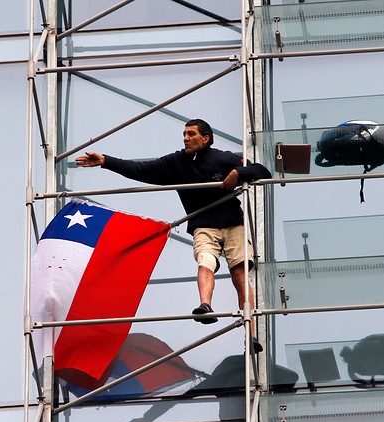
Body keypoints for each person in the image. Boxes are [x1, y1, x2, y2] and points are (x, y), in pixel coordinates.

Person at [75, 119, 271, 353]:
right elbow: (141, 170)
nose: (186, 138)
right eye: (184, 134)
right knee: (206, 261)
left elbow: (262, 170)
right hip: (203, 224)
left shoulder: (222, 158)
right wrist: (106, 161)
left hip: (233, 223)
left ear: (206, 138)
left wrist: (237, 172)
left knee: (239, 273)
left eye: (191, 134)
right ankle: (205, 305)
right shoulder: (177, 163)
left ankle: (250, 334)